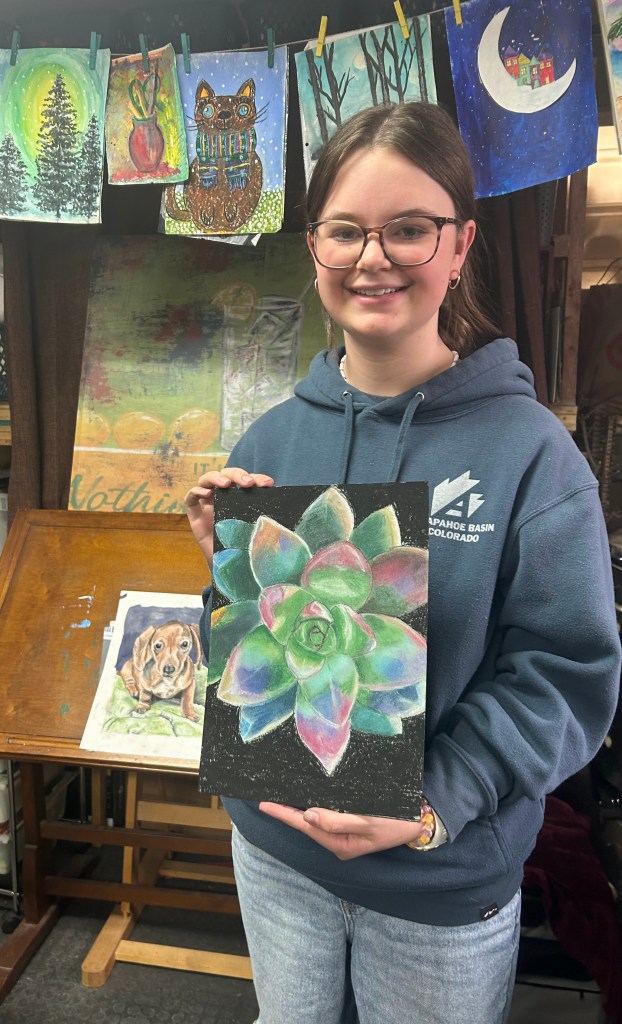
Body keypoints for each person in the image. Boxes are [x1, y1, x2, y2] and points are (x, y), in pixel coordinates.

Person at [185, 102, 621, 1024]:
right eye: (345, 230)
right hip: (276, 857)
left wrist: (434, 804)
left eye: (409, 229)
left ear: (459, 246)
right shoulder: (272, 438)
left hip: (438, 880)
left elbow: (566, 676)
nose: (371, 257)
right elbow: (241, 661)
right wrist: (225, 573)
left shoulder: (532, 457)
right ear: (315, 246)